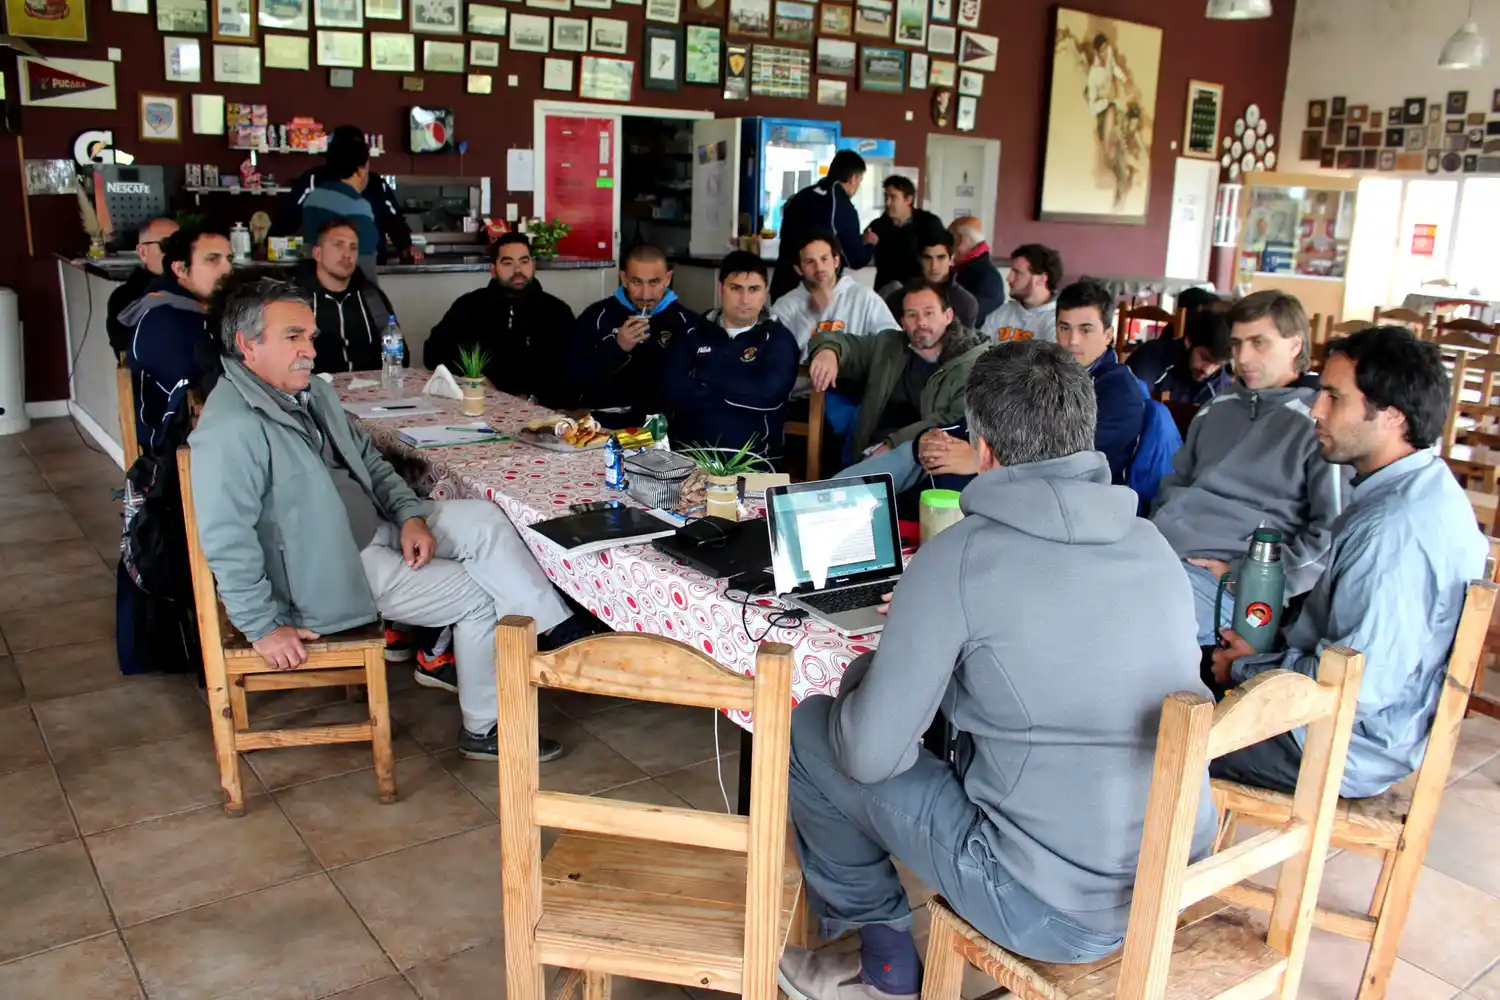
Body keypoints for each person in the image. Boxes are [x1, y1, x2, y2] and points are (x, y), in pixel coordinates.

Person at [777, 340, 1215, 1000]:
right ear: (1084, 430)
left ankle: (884, 970)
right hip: (1173, 878)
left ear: (982, 449)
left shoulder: (959, 558)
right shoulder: (1156, 547)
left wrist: (868, 672)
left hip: (1051, 914)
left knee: (815, 731)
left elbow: (867, 757)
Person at [188, 277, 578, 761]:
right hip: (328, 568)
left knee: (484, 519)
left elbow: (370, 464)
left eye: (311, 336)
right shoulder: (232, 428)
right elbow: (226, 541)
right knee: (482, 596)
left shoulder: (311, 394)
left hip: (370, 526)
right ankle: (488, 726)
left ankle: (559, 636)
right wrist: (263, 627)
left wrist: (410, 516)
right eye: (293, 337)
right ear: (248, 345)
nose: (309, 350)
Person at [1209, 326, 1486, 799]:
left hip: (1334, 744)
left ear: (1393, 416)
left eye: (1334, 398)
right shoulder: (1425, 485)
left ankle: (1153, 867)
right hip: (1353, 728)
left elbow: (1360, 687)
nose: (1315, 411)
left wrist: (1245, 670)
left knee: (1139, 733)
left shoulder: (1392, 529)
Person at [1151, 291, 1347, 648]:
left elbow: (1331, 534)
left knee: (1124, 626)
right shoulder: (1217, 406)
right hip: (1157, 553)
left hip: (1226, 578)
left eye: (1259, 343)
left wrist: (1253, 581)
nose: (1242, 358)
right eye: (1237, 344)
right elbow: (1173, 484)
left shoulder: (1317, 424)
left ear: (1295, 345)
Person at [807, 280, 987, 461]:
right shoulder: (889, 345)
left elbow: (953, 421)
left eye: (929, 313)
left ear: (948, 315)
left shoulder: (970, 360)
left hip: (928, 454)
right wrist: (829, 351)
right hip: (874, 450)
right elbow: (844, 343)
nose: (921, 322)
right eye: (912, 314)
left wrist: (894, 443)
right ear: (902, 322)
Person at [661, 251, 800, 461]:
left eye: (753, 289)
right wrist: (738, 382)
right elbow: (670, 389)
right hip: (687, 458)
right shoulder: (692, 332)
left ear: (766, 292)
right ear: (721, 289)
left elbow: (767, 395)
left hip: (753, 461)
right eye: (736, 288)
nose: (744, 299)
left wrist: (701, 380)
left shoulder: (779, 339)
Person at [423, 233, 577, 408]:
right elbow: (433, 352)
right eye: (508, 263)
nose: (518, 270)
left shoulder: (556, 311)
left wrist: (532, 397)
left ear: (533, 265)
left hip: (540, 412)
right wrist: (473, 376)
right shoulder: (470, 306)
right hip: (479, 405)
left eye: (524, 261)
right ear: (493, 269)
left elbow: (571, 370)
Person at [121, 226, 233, 454]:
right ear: (181, 269)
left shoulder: (197, 311)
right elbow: (201, 394)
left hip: (197, 434)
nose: (227, 269)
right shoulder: (166, 320)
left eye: (229, 259)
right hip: (173, 452)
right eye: (213, 260)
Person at [562, 245, 701, 426]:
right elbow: (571, 378)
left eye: (654, 282)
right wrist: (617, 348)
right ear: (624, 278)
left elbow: (695, 394)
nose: (645, 294)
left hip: (660, 429)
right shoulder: (597, 316)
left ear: (667, 279)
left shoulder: (688, 324)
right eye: (637, 282)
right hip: (598, 424)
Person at [274, 124, 416, 264]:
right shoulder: (315, 181)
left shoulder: (375, 185)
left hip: (324, 272)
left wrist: (406, 246)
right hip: (353, 271)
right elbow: (287, 217)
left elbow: (395, 222)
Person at [1052, 280, 1144, 485]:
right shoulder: (1049, 372)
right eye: (1064, 328)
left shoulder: (1121, 391)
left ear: (1108, 336)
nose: (1072, 340)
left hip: (1091, 498)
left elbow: (1077, 460)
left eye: (1085, 330)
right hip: (1043, 486)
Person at [773, 231, 898, 359]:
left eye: (824, 259)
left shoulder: (864, 297)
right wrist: (809, 313)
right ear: (798, 269)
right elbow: (772, 353)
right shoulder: (785, 305)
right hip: (802, 376)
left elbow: (894, 343)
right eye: (810, 261)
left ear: (836, 261)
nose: (819, 267)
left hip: (854, 377)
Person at [293, 217, 396, 374]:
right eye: (338, 245)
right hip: (313, 391)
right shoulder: (294, 299)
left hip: (371, 391)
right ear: (317, 253)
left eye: (353, 247)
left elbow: (397, 351)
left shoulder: (372, 297)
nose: (347, 254)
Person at [771, 150, 873, 301]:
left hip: (782, 285)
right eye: (860, 181)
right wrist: (870, 244)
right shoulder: (842, 206)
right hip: (815, 291)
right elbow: (855, 259)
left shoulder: (800, 196)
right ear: (853, 178)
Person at [298, 128, 382, 278]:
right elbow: (364, 267)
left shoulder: (313, 198)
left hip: (310, 286)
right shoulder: (359, 206)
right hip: (343, 293)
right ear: (361, 170)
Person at [1126, 307, 1234, 405]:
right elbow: (1129, 404)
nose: (1208, 370)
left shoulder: (1220, 382)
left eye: (1216, 364)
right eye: (1205, 358)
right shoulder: (1149, 359)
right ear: (1188, 341)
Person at [107, 217, 179, 356]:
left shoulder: (194, 287)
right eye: (166, 245)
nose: (175, 253)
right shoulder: (125, 298)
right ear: (143, 252)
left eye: (180, 245)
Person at [865, 175, 949, 292]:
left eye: (893, 197)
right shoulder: (877, 226)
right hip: (886, 292)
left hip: (921, 290)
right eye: (886, 196)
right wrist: (865, 243)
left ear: (908, 200)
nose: (887, 202)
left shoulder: (929, 223)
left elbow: (940, 255)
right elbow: (859, 260)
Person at [882, 232, 979, 330]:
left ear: (951, 260)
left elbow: (966, 343)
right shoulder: (898, 299)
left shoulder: (965, 302)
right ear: (920, 260)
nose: (934, 266)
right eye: (928, 258)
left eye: (941, 257)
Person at [980, 244, 1062, 343]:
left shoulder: (1059, 320)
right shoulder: (1001, 313)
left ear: (1041, 279)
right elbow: (978, 351)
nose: (1009, 278)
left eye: (1017, 272)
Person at [948, 217, 1006, 325]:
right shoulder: (966, 269)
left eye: (950, 239)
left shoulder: (987, 277)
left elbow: (966, 320)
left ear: (961, 241)